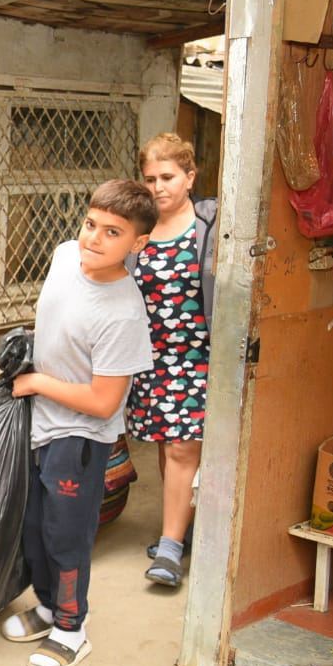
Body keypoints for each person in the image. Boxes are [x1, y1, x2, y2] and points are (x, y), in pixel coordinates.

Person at [2, 180, 156, 666]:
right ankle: (48, 606)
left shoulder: (123, 313)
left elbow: (104, 400)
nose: (93, 238)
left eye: (112, 232)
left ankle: (72, 627)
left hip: (79, 438)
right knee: (34, 527)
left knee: (66, 534)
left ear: (137, 244)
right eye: (91, 224)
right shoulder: (66, 255)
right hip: (39, 420)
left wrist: (39, 382)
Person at [125, 134, 217, 588]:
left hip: (196, 356)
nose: (158, 187)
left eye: (167, 177)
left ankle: (169, 550)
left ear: (189, 177)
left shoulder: (206, 229)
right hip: (152, 359)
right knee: (166, 447)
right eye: (150, 179)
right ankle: (177, 531)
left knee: (185, 448)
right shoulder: (139, 231)